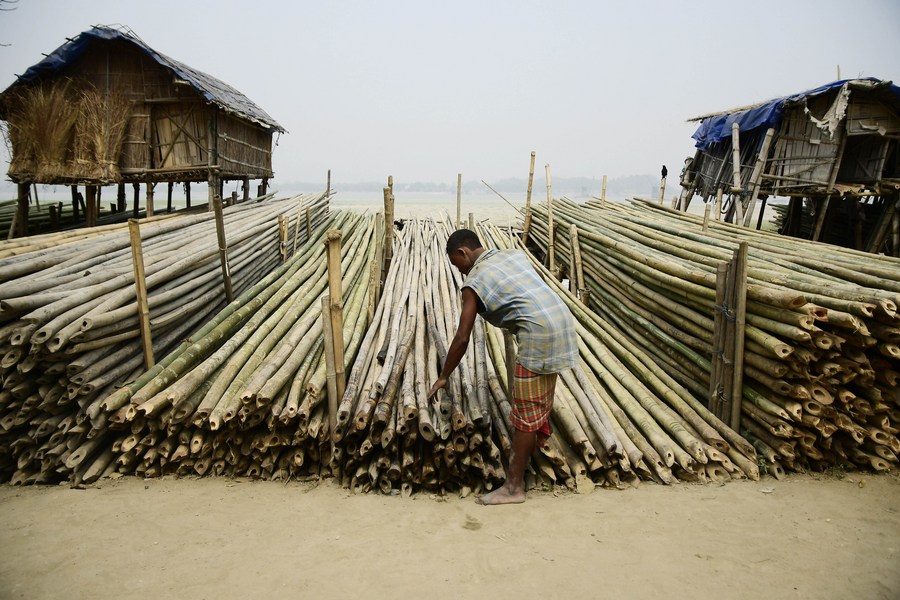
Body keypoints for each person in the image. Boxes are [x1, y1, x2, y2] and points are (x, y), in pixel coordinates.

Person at [427, 229, 577, 505]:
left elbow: (462, 336)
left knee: (525, 413)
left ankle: (513, 487)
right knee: (537, 404)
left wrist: (443, 376)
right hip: (562, 322)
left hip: (538, 333)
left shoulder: (474, 281)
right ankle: (535, 458)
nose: (458, 270)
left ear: (463, 253)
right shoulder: (511, 256)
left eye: (455, 263)